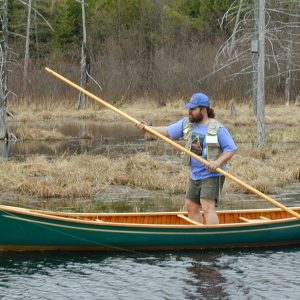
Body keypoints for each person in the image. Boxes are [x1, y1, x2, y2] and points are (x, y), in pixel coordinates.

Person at [137, 92, 237, 225]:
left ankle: (213, 237)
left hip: (212, 174)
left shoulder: (218, 128)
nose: (189, 112)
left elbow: (231, 148)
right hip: (195, 174)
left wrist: (218, 162)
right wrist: (148, 129)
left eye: (193, 109)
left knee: (207, 205)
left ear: (203, 110)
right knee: (191, 205)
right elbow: (167, 131)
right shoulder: (187, 123)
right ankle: (199, 235)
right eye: (189, 109)